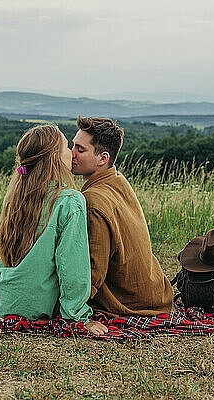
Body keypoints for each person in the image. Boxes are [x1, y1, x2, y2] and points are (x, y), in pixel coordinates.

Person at [0, 125, 108, 335]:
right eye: (67, 147)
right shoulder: (70, 201)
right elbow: (73, 268)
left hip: (0, 298)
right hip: (34, 307)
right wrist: (78, 317)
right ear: (55, 158)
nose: (72, 154)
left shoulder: (15, 194)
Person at [71, 116, 174, 318]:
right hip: (156, 293)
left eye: (79, 150)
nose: (70, 154)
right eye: (72, 146)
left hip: (130, 303)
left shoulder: (93, 200)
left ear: (103, 158)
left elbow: (94, 271)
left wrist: (72, 308)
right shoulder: (116, 179)